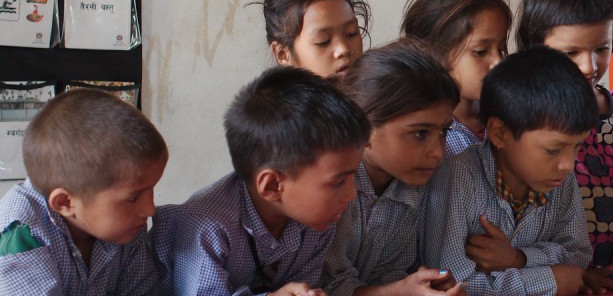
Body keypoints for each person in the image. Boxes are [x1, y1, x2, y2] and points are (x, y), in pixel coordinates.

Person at [157, 67, 370, 295]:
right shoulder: (208, 226)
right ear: (272, 186)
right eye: (338, 182)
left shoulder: (318, 221)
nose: (352, 194)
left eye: (353, 176)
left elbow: (302, 285)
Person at [516, 0, 613, 292]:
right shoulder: (522, 121)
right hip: (553, 281)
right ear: (536, 46)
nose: (589, 66)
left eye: (601, 48)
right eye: (570, 53)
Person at [423, 47, 594, 296]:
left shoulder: (559, 178)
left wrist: (519, 259)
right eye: (553, 150)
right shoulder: (459, 178)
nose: (568, 164)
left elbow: (577, 257)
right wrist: (547, 279)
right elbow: (450, 286)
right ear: (499, 133)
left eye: (577, 146)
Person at [322, 39, 464, 296]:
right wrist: (399, 291)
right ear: (363, 126)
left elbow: (388, 274)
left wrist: (418, 288)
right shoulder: (330, 189)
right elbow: (327, 287)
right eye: (420, 134)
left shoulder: (409, 191)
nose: (438, 152)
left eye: (444, 131)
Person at [0, 89, 166, 295]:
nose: (149, 209)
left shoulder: (126, 222)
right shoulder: (20, 234)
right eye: (133, 197)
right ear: (65, 202)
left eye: (152, 189)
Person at [401, 0, 511, 156]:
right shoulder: (425, 133)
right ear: (435, 55)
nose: (498, 61)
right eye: (480, 52)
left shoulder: (509, 116)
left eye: (501, 48)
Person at [259, 0, 371, 79]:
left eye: (351, 33)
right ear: (283, 55)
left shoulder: (379, 91)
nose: (344, 49)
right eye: (324, 41)